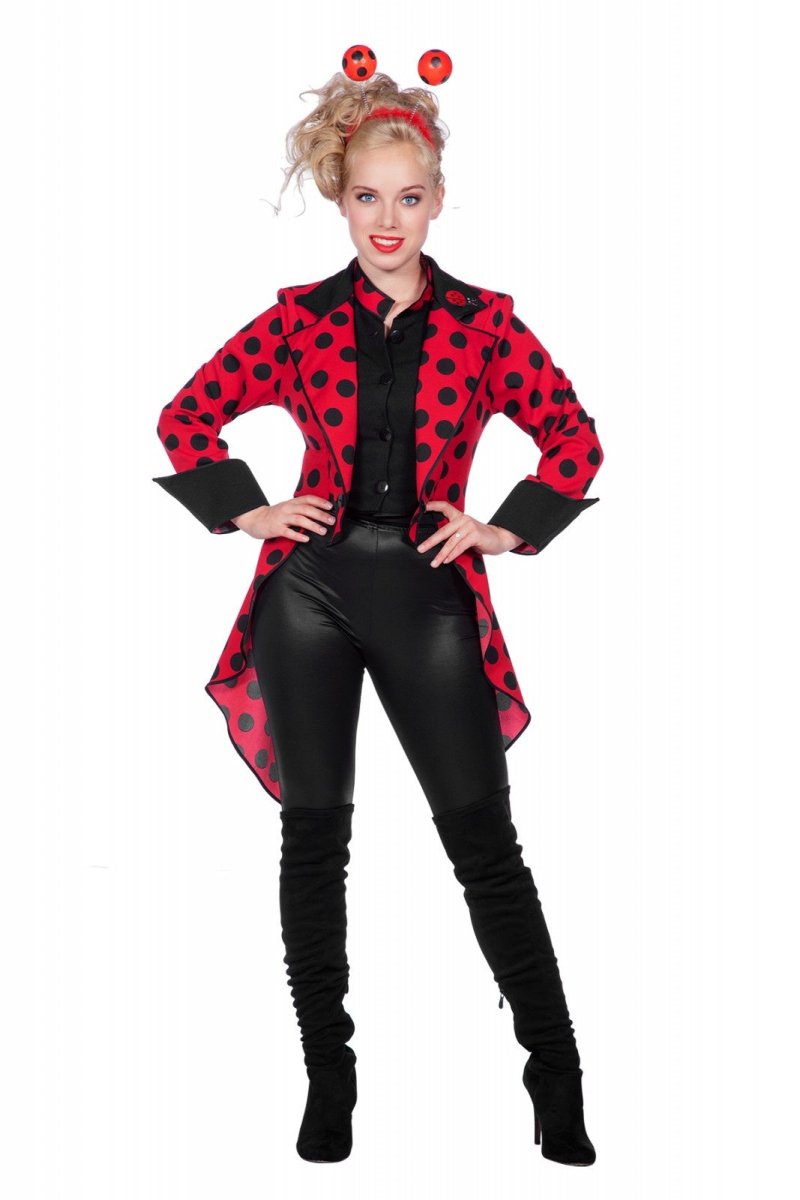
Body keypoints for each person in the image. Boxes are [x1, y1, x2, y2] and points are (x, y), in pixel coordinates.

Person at [152, 63, 603, 1167]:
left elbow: (574, 438)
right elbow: (187, 416)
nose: (387, 219)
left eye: (408, 197)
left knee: (485, 847)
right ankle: (329, 1077)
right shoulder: (298, 322)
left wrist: (500, 528)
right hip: (306, 593)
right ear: (339, 197)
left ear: (438, 199)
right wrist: (252, 510)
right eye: (367, 197)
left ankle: (556, 1077)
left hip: (426, 591)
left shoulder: (485, 326)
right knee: (313, 843)